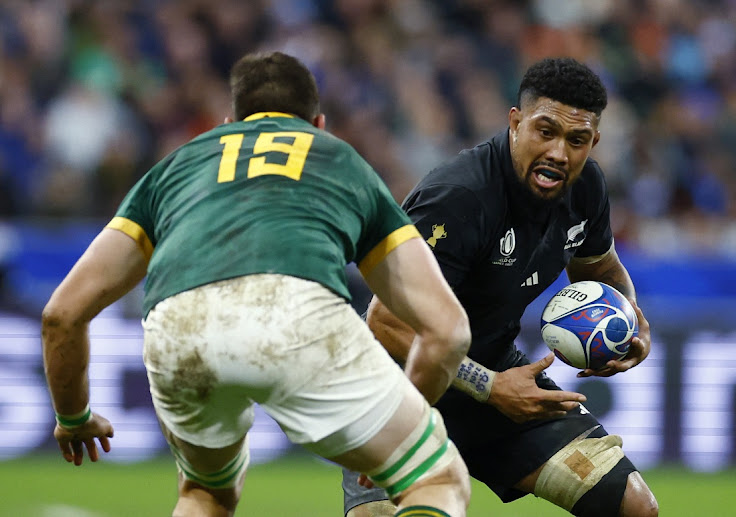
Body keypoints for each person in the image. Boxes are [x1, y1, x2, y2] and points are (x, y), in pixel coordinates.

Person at [41, 51, 474, 517]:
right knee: (437, 477)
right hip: (295, 311)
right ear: (319, 123)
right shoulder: (339, 160)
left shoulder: (175, 168)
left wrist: (72, 418)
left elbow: (61, 315)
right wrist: (395, 433)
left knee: (204, 492)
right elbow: (448, 331)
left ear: (230, 122)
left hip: (179, 328)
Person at [343, 57, 659, 517]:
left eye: (576, 140)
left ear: (593, 142)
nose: (558, 152)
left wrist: (631, 318)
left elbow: (601, 267)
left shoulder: (586, 187)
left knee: (635, 507)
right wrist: (490, 387)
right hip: (399, 386)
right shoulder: (458, 197)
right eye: (545, 131)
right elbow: (386, 323)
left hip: (493, 374)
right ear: (515, 123)